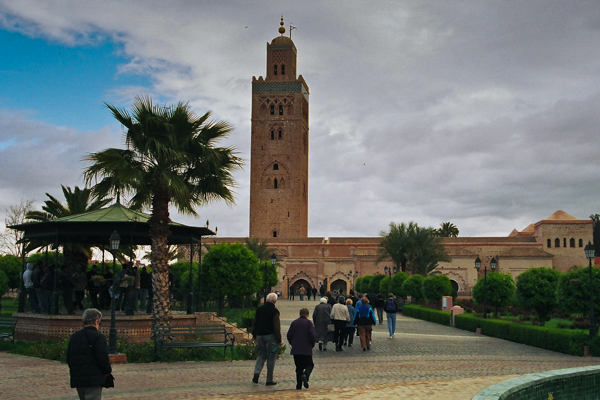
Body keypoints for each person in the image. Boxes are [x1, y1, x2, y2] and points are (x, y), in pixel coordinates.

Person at [67, 308, 112, 400]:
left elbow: (69, 358)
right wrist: (107, 371)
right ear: (96, 321)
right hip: (93, 379)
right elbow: (102, 358)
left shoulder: (75, 337)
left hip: (78, 377)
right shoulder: (99, 337)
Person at [251, 292, 283, 386]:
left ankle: (256, 374)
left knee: (261, 355)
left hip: (260, 335)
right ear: (275, 301)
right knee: (271, 358)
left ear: (267, 299)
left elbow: (254, 322)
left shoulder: (259, 309)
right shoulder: (275, 311)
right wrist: (279, 339)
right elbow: (276, 327)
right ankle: (269, 380)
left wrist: (254, 335)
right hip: (270, 336)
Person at [287, 307, 316, 390]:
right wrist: (311, 344)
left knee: (299, 367)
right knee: (310, 364)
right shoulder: (308, 323)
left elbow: (289, 335)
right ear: (307, 315)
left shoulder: (294, 323)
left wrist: (293, 343)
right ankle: (305, 375)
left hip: (296, 349)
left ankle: (298, 385)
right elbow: (312, 335)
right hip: (306, 349)